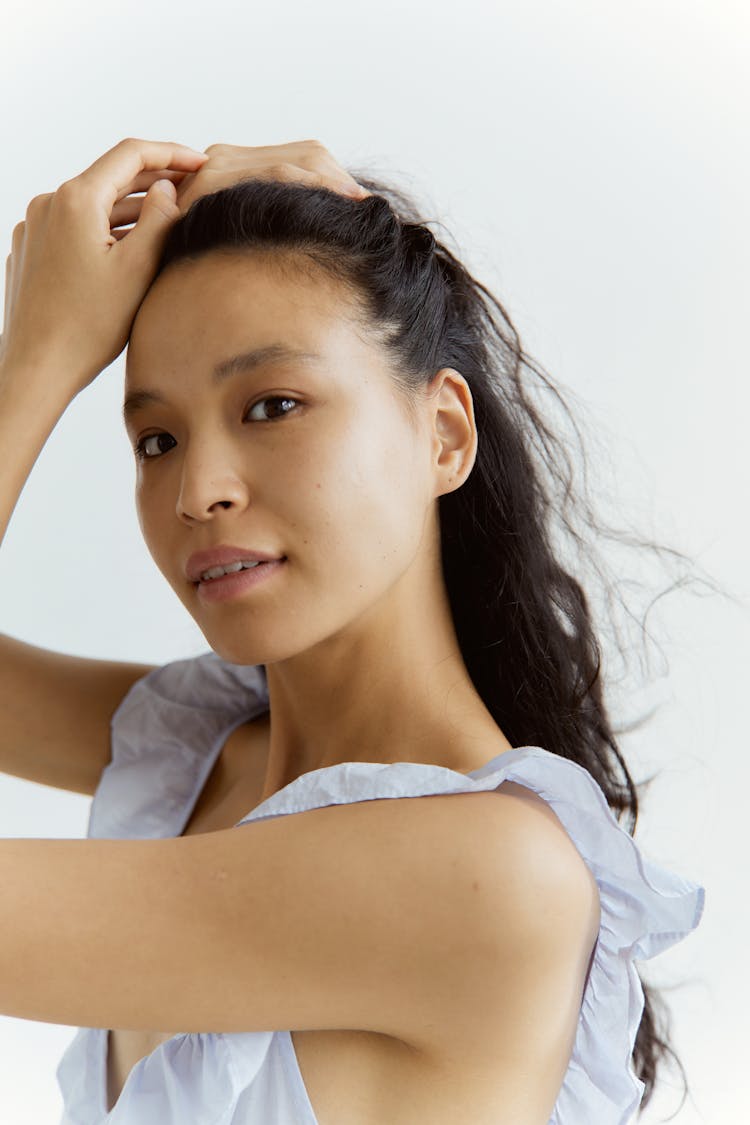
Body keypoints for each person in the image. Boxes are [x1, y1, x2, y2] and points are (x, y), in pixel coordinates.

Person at [0, 137, 705, 1124]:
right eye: (156, 437)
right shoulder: (202, 758)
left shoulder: (485, 877)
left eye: (273, 404)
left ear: (444, 434)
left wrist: (33, 359)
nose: (199, 491)